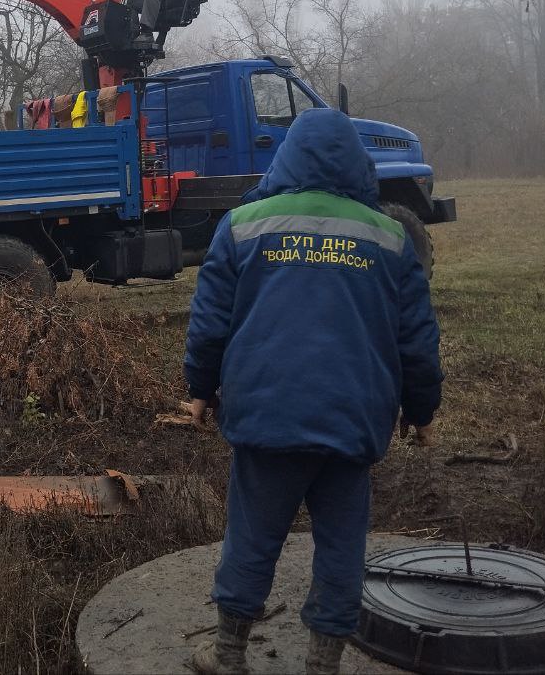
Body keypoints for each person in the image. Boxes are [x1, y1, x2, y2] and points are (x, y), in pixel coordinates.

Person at [183, 108, 442, 675]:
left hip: (266, 418)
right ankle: (323, 666)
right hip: (351, 421)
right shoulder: (391, 238)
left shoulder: (243, 225)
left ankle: (228, 656)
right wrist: (422, 411)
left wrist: (199, 390)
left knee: (252, 537)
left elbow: (209, 324)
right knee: (343, 547)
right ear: (359, 162)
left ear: (287, 156)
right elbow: (417, 340)